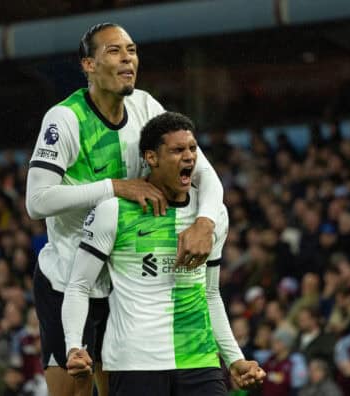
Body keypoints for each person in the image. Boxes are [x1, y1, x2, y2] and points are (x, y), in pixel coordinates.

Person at [25, 23, 224, 396]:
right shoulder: (65, 119)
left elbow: (206, 174)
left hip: (123, 283)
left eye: (131, 50)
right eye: (114, 51)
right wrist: (114, 187)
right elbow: (36, 202)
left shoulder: (145, 106)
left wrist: (205, 223)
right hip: (70, 280)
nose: (128, 58)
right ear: (88, 64)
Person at [61, 112, 265, 395]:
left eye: (193, 148)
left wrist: (234, 359)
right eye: (177, 150)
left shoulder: (212, 215)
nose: (189, 157)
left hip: (199, 359)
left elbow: (210, 294)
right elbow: (79, 285)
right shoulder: (114, 211)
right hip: (135, 363)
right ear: (152, 158)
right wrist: (74, 346)